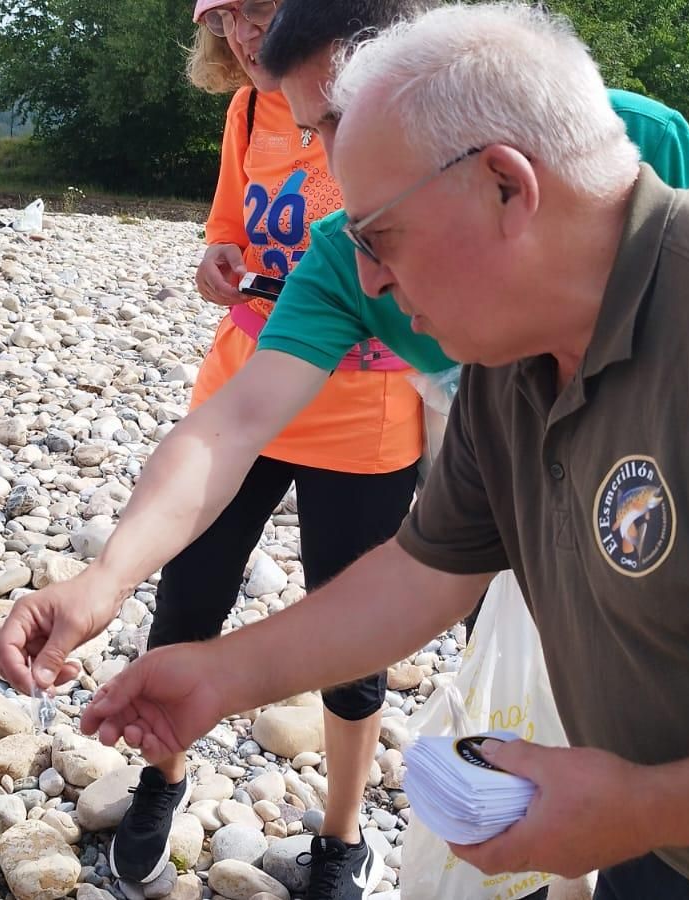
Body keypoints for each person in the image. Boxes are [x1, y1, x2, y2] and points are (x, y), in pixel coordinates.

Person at [80, 4, 689, 900]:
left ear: (507, 184)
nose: (364, 275)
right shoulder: (513, 350)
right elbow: (420, 576)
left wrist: (641, 806)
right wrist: (215, 676)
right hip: (671, 846)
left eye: (381, 235)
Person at [0, 1, 689, 892]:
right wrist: (121, 596)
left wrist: (649, 807)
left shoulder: (662, 182)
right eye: (314, 128)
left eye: (341, 119)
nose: (334, 165)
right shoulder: (376, 282)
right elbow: (256, 444)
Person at [76, 1, 427, 893]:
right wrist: (217, 261)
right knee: (188, 598)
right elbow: (228, 229)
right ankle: (163, 778)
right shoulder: (246, 111)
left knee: (352, 638)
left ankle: (342, 839)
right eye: (222, 13)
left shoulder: (395, 108)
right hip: (248, 379)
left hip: (367, 407)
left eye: (262, 7)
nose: (242, 29)